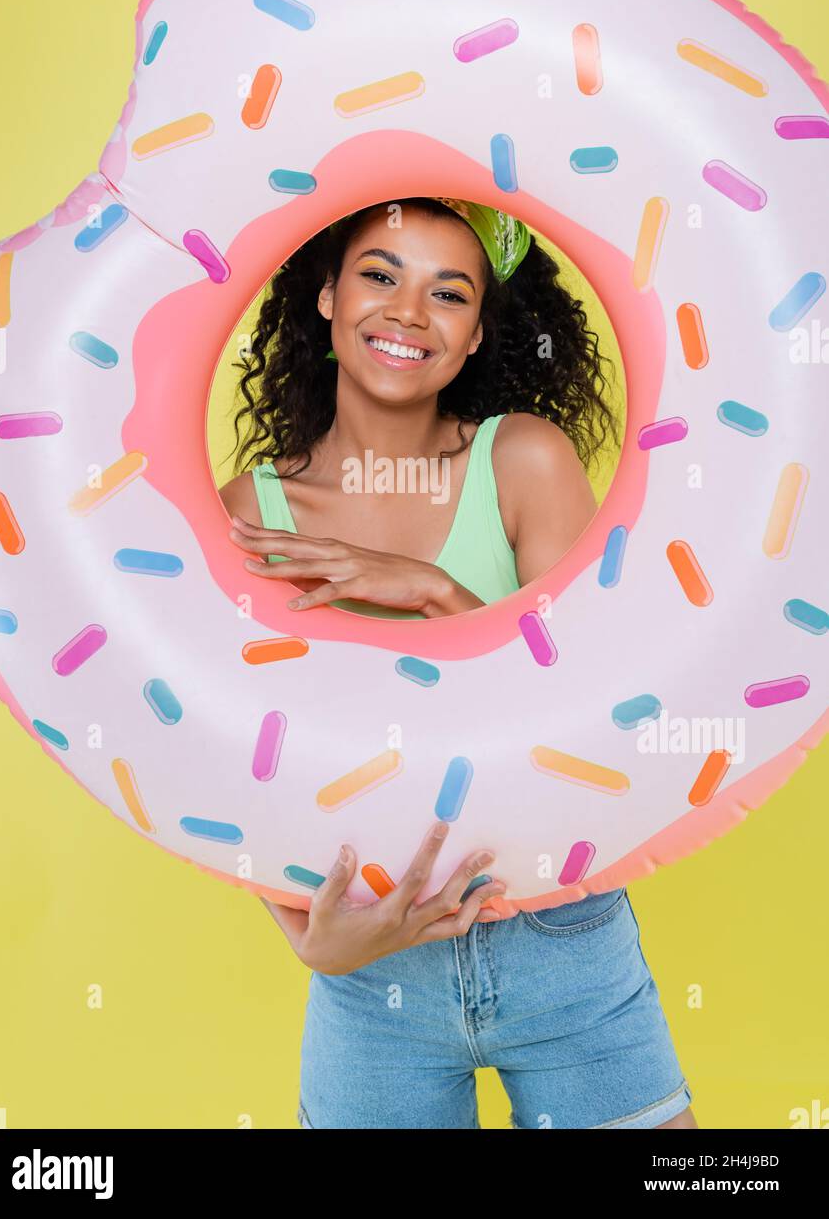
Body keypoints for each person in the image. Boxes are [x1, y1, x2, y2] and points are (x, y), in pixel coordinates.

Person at [219, 196, 697, 1129]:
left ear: (476, 334)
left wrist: (438, 592)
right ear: (325, 296)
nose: (407, 311)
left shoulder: (523, 460)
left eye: (447, 291)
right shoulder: (252, 513)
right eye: (378, 275)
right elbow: (230, 750)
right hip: (370, 967)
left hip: (560, 937)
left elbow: (596, 718)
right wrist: (306, 938)